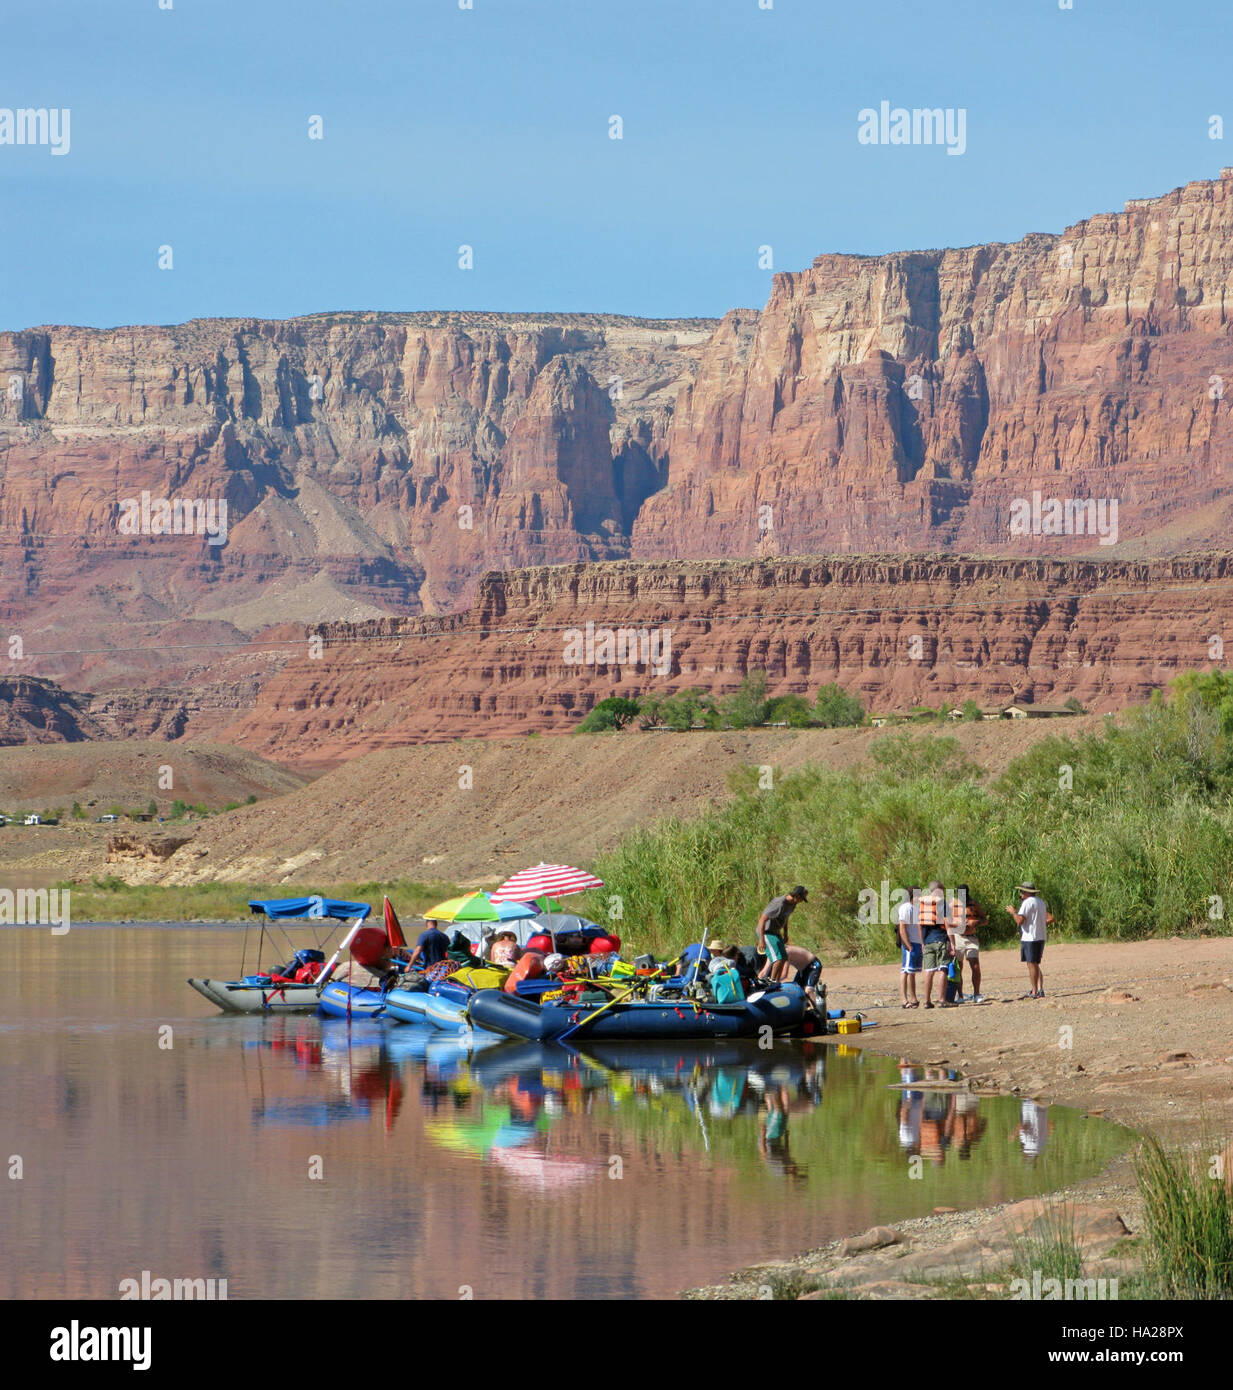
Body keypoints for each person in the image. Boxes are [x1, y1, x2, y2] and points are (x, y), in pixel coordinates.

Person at [1005, 881, 1053, 998]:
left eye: (1021, 891)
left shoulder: (1027, 903)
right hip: (1040, 936)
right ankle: (1039, 989)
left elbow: (1019, 921)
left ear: (1026, 892)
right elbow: (1050, 918)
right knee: (1035, 963)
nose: (1020, 894)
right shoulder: (1040, 902)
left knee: (1031, 964)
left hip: (1030, 938)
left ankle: (1034, 991)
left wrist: (1013, 913)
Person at [757, 886, 808, 983]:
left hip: (776, 932)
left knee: (784, 957)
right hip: (767, 932)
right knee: (778, 958)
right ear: (796, 896)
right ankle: (771, 982)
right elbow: (762, 920)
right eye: (802, 899)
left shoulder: (793, 903)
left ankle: (776, 981)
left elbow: (786, 917)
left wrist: (785, 933)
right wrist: (762, 940)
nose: (801, 901)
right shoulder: (779, 903)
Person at [947, 884, 986, 1003]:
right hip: (958, 937)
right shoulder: (952, 904)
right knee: (959, 967)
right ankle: (960, 995)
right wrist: (958, 924)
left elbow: (984, 919)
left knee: (975, 966)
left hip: (971, 938)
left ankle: (977, 994)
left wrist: (976, 923)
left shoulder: (974, 904)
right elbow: (946, 921)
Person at [918, 880, 950, 1008]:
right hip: (941, 939)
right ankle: (942, 1000)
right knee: (943, 968)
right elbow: (947, 923)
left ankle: (927, 1001)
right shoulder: (942, 903)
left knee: (929, 970)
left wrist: (922, 942)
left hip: (927, 941)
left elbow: (919, 926)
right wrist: (951, 942)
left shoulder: (922, 904)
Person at [897, 884, 921, 1009]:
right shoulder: (906, 908)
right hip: (910, 943)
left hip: (916, 943)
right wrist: (908, 945)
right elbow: (902, 928)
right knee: (905, 971)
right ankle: (904, 999)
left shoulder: (915, 908)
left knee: (912, 972)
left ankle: (913, 998)